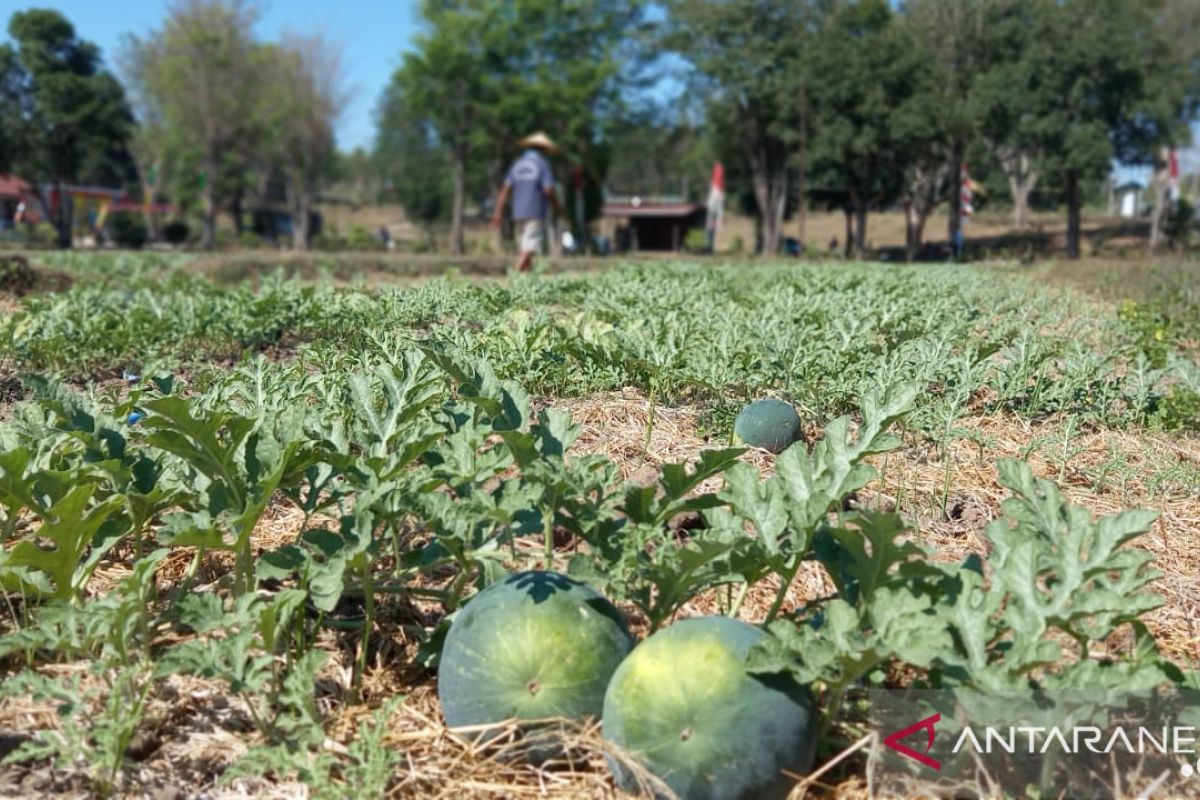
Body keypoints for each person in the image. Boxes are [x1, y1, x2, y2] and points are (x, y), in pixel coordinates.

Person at [491, 131, 563, 272]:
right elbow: (549, 190)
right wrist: (557, 208)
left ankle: (526, 281)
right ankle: (515, 275)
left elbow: (505, 190)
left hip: (518, 212)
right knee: (529, 247)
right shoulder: (542, 164)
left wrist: (498, 212)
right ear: (543, 149)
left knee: (524, 245)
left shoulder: (517, 165)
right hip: (535, 210)